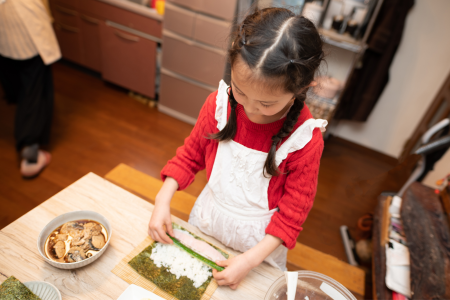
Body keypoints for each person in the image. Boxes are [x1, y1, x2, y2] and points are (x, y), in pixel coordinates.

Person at [148, 7, 326, 289]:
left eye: (267, 104)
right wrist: (162, 200)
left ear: (302, 88)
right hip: (208, 221)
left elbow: (292, 217)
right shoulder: (218, 105)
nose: (251, 109)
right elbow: (190, 155)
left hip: (259, 247)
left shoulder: (304, 140)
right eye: (240, 91)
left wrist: (249, 261)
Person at [0, 0, 61, 178]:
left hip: (5, 29)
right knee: (34, 88)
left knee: (15, 74)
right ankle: (30, 155)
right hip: (22, 21)